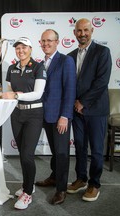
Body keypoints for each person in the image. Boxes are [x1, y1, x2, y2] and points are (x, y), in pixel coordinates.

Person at [67, 18, 112, 202]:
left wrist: (83, 102)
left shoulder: (102, 52)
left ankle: (94, 183)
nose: (82, 34)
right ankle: (81, 178)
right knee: (79, 146)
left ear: (92, 31)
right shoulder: (70, 56)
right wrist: (73, 104)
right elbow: (69, 83)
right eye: (79, 30)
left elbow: (102, 82)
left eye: (86, 30)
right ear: (74, 33)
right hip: (76, 112)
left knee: (96, 149)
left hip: (96, 110)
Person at [2, 37, 47, 210]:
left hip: (34, 114)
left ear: (30, 48)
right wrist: (13, 95)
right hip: (17, 113)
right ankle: (28, 183)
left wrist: (16, 95)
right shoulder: (12, 69)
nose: (20, 50)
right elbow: (9, 91)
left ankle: (27, 193)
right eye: (18, 48)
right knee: (22, 153)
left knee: (27, 154)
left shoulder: (38, 67)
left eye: (24, 47)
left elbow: (37, 93)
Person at [35, 29, 76, 205]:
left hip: (60, 116)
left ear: (57, 42)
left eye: (49, 41)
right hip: (44, 115)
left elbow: (70, 90)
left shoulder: (66, 61)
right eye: (43, 41)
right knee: (55, 151)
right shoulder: (40, 63)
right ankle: (53, 177)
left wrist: (65, 116)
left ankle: (61, 189)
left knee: (61, 152)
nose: (46, 44)